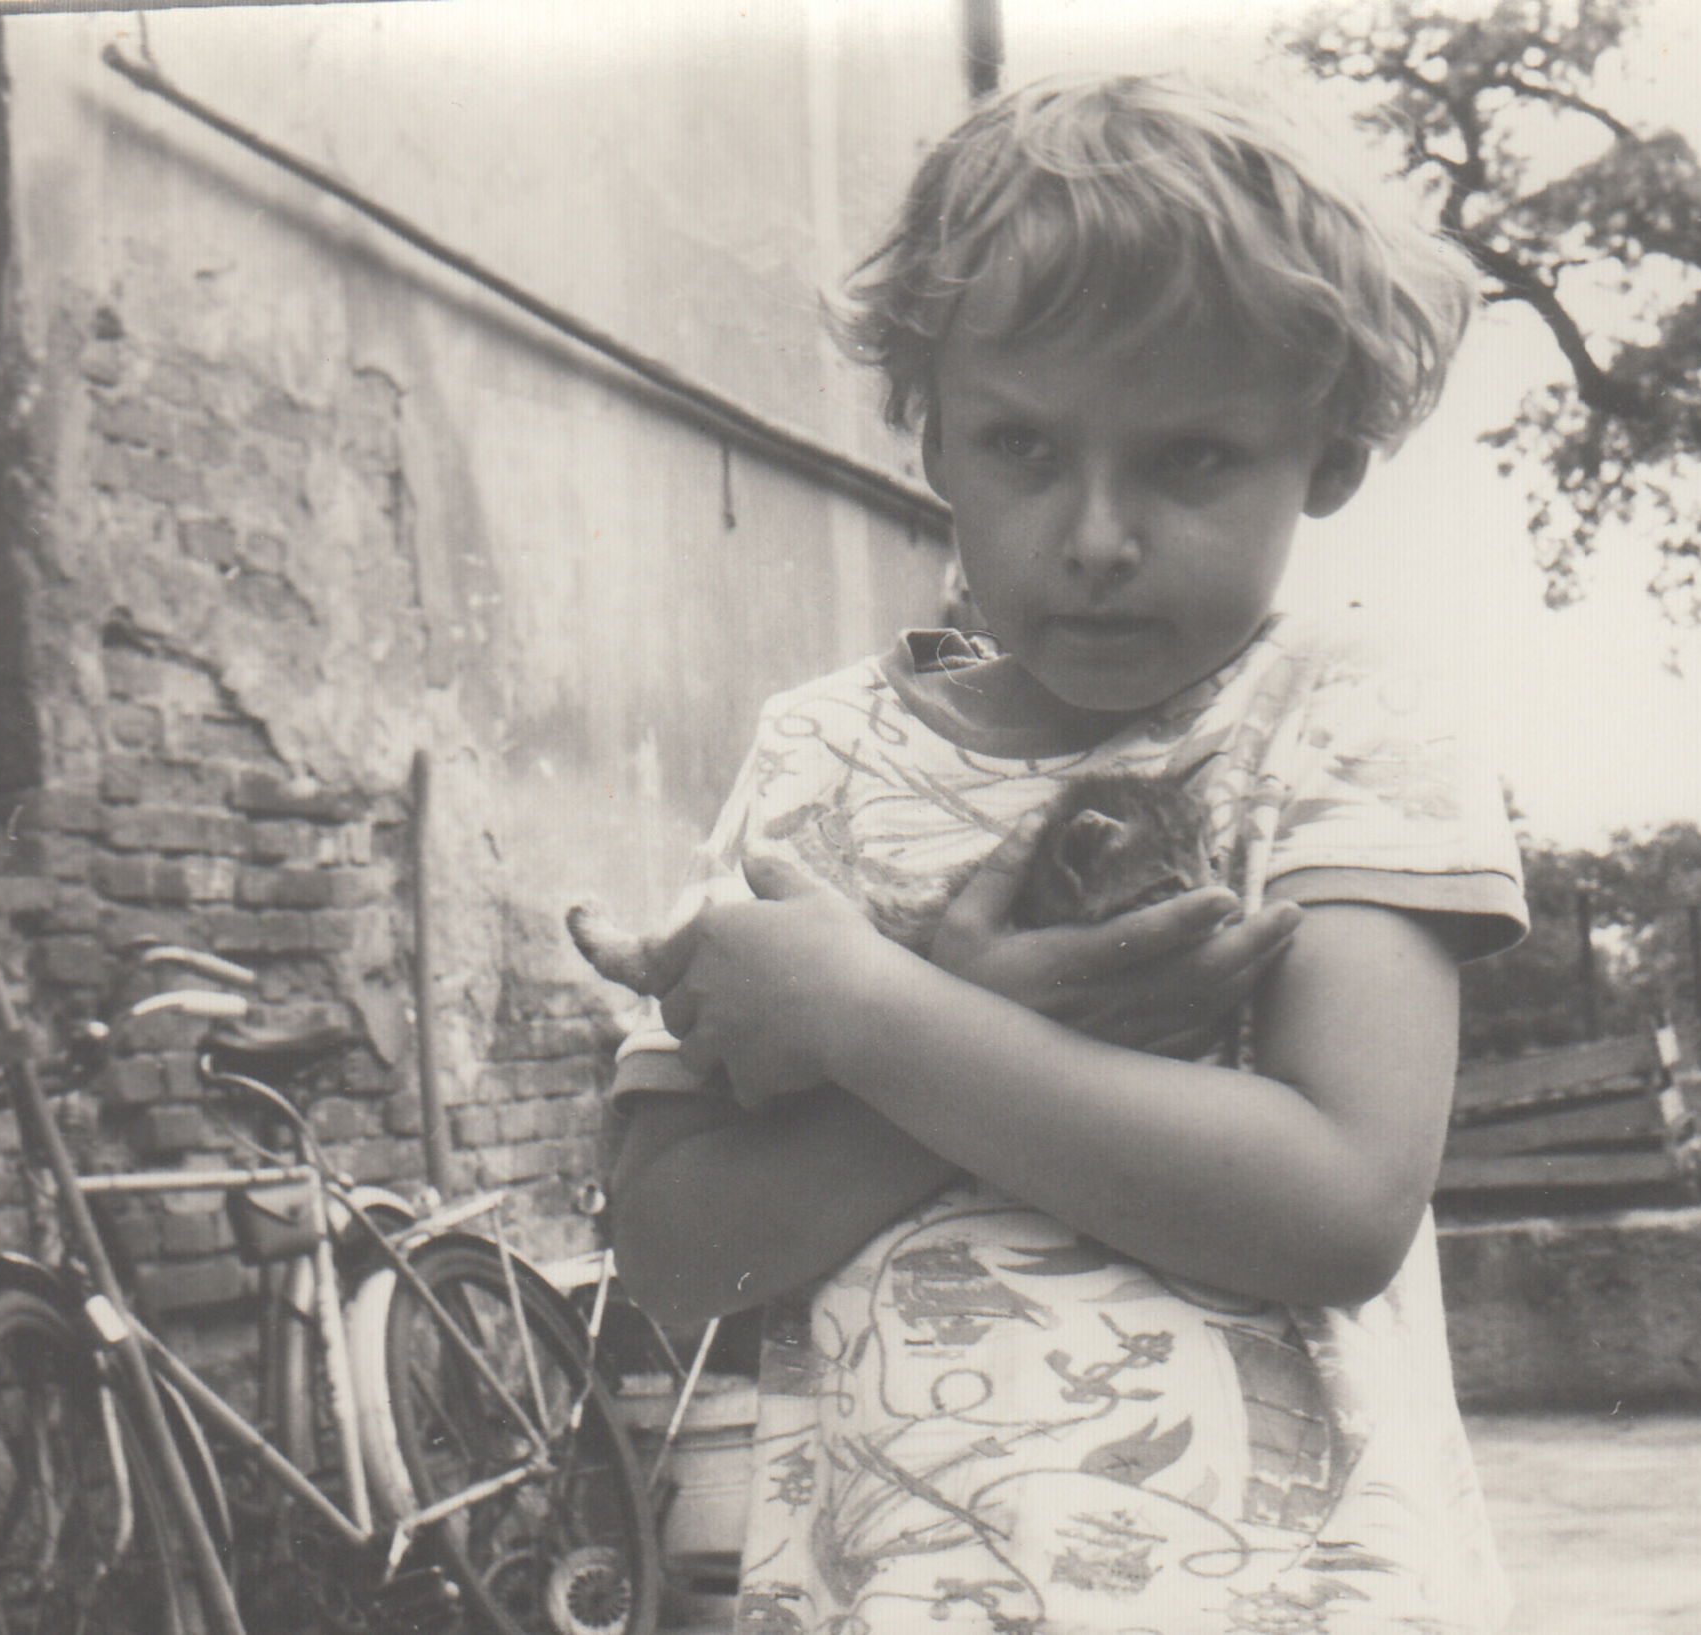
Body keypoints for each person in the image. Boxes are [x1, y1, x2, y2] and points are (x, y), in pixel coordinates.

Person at [606, 72, 1527, 1633]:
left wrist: (879, 1017)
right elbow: (674, 1254)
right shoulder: (814, 759)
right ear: (930, 435)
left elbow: (1341, 1205)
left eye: (1191, 459)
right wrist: (989, 1015)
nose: (1098, 536)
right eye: (1024, 448)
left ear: (1330, 454)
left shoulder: (1344, 721)